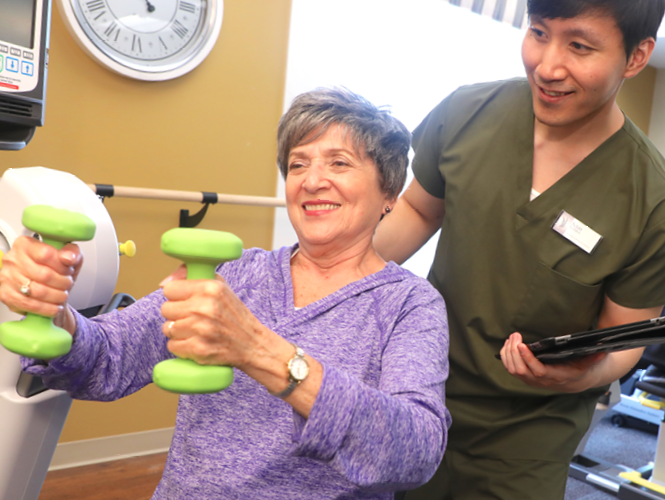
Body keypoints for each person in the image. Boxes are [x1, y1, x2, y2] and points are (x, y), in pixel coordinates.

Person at [0, 88, 451, 499]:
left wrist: (259, 350)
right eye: (298, 163)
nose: (312, 181)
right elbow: (105, 360)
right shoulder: (235, 275)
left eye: (338, 162)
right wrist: (54, 314)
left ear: (389, 191)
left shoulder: (409, 305)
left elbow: (415, 450)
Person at [373, 1, 665, 499]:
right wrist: (323, 276)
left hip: (527, 433)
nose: (548, 66)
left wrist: (581, 375)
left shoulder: (650, 198)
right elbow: (419, 211)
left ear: (637, 57)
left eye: (579, 45)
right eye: (538, 33)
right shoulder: (467, 112)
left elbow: (622, 338)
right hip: (415, 388)